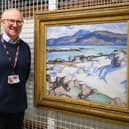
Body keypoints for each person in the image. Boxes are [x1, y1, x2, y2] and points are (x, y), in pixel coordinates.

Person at [0, 8, 31, 129]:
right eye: (11, 21)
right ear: (2, 22)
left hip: (18, 108)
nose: (15, 25)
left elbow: (25, 74)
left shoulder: (25, 48)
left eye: (19, 22)